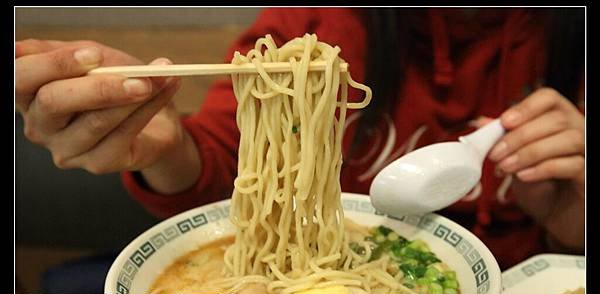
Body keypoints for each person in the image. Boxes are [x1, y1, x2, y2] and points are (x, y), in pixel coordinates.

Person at [15, 8, 584, 269]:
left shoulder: (571, 38)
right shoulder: (311, 23)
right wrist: (163, 145)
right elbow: (219, 172)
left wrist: (573, 219)